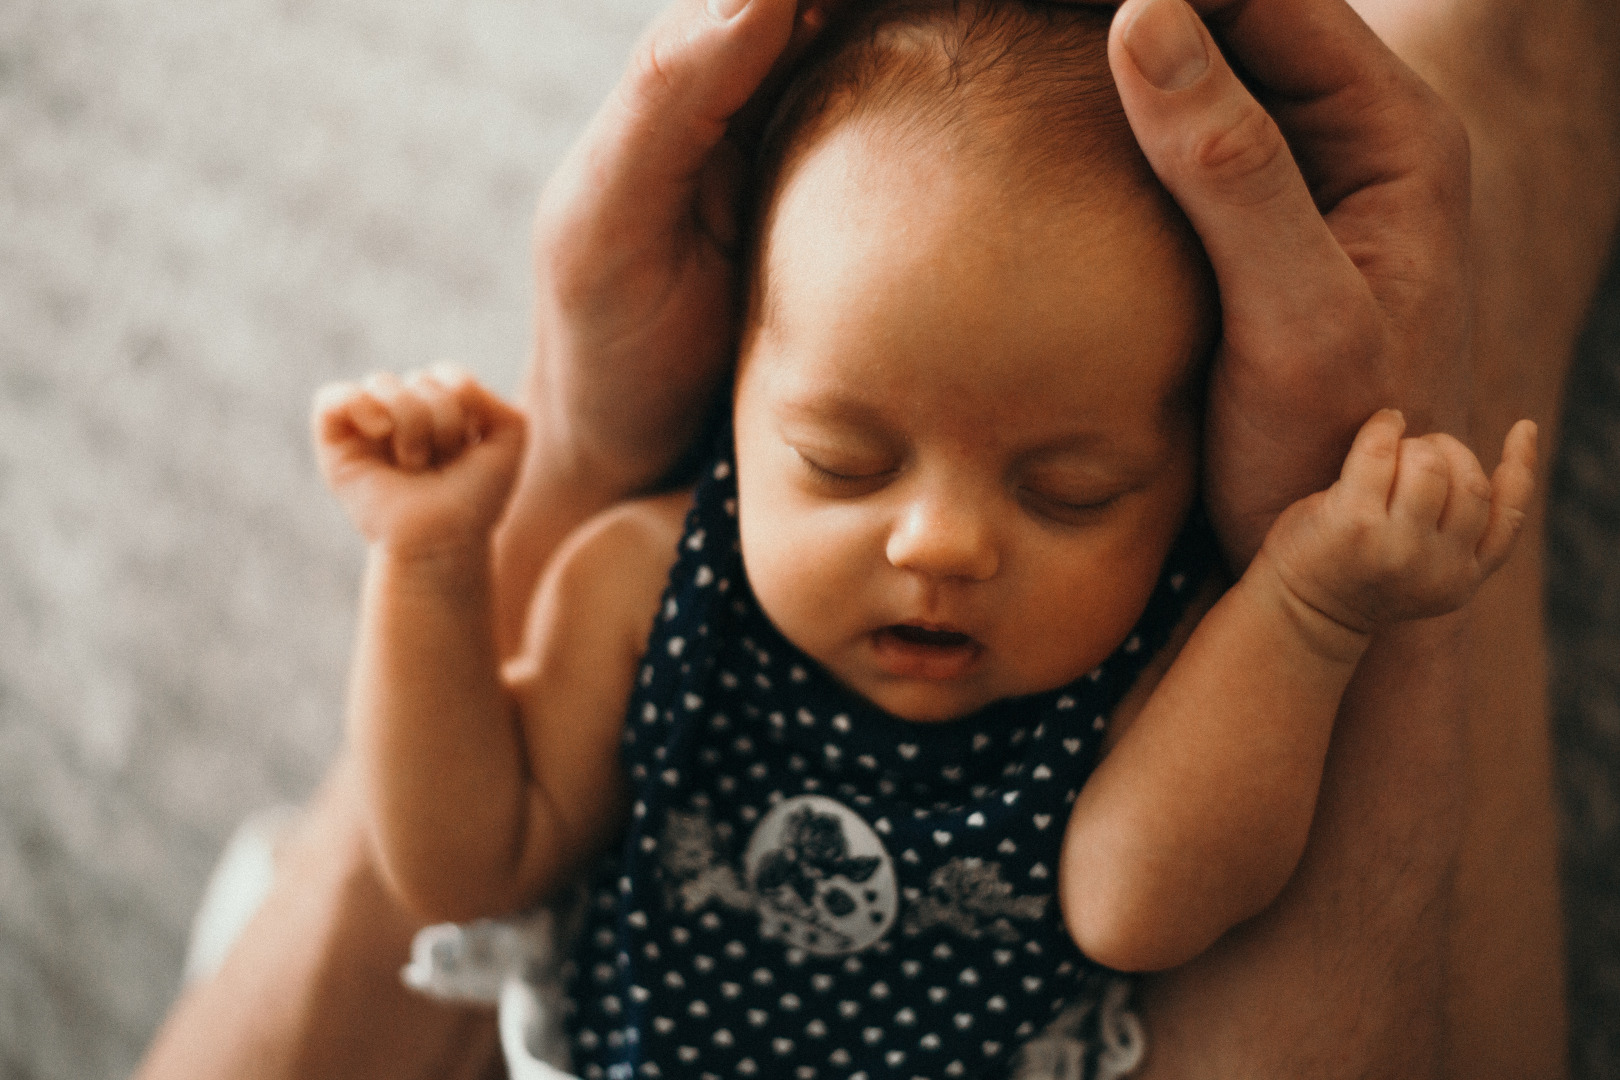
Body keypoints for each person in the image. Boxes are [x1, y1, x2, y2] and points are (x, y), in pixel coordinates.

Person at [132, 0, 1620, 1077]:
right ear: (732, 394)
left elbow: (1135, 899)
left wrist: (1301, 610)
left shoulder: (1155, 650)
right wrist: (438, 562)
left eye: (1073, 489)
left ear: (1180, 485)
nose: (944, 542)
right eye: (842, 461)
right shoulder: (653, 583)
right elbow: (465, 860)